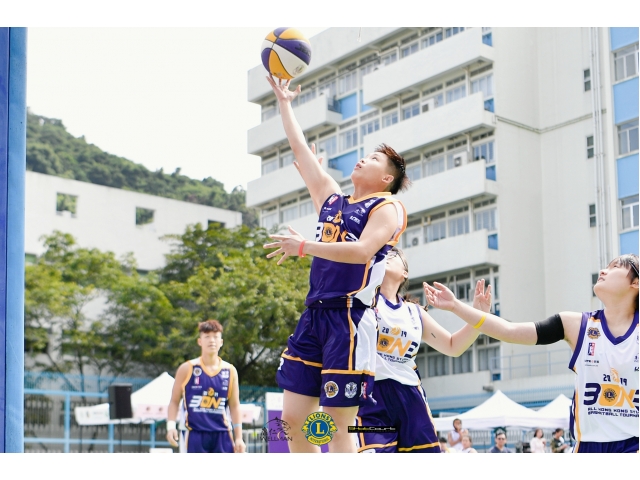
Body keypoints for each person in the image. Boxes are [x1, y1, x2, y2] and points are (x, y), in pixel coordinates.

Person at [263, 77, 409, 453]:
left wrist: (304, 247)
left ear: (386, 178)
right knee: (293, 421)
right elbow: (300, 149)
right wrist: (284, 103)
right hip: (314, 315)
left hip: (349, 319)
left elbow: (362, 251)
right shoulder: (332, 200)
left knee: (333, 425)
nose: (363, 158)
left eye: (373, 159)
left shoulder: (388, 207)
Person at [424, 253, 639, 453]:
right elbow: (509, 331)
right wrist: (456, 306)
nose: (603, 271)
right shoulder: (577, 324)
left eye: (614, 267)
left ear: (635, 282)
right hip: (588, 448)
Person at [355, 247, 492, 453]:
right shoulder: (363, 301)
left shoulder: (414, 312)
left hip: (411, 397)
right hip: (371, 396)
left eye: (394, 254)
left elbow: (453, 346)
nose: (387, 255)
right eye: (384, 253)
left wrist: (479, 316)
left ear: (405, 273)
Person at [166, 320, 246, 453]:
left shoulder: (230, 371)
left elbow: (235, 405)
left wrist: (239, 437)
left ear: (221, 342)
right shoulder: (187, 368)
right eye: (207, 336)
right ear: (199, 341)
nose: (212, 340)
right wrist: (171, 426)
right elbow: (174, 401)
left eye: (215, 337)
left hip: (222, 433)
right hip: (194, 433)